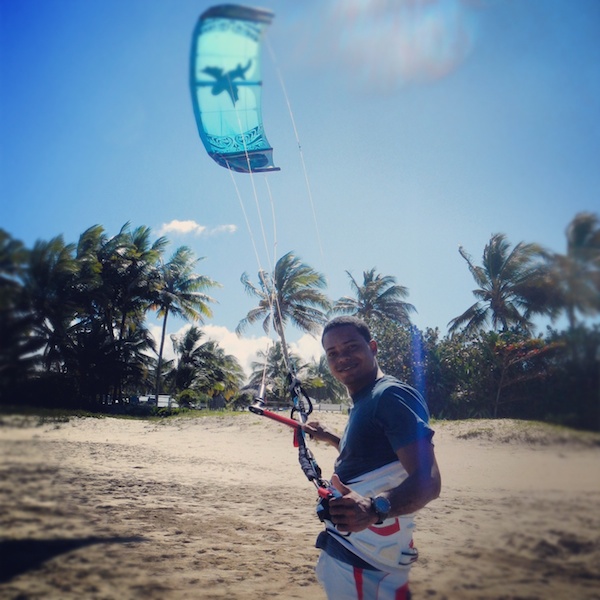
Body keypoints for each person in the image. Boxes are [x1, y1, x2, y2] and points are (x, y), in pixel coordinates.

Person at [302, 316, 441, 600]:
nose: (342, 358)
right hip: (357, 555)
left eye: (351, 347)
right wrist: (330, 437)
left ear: (373, 347)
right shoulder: (366, 401)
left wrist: (373, 508)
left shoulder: (389, 395)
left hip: (366, 563)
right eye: (333, 353)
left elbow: (429, 480)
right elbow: (374, 457)